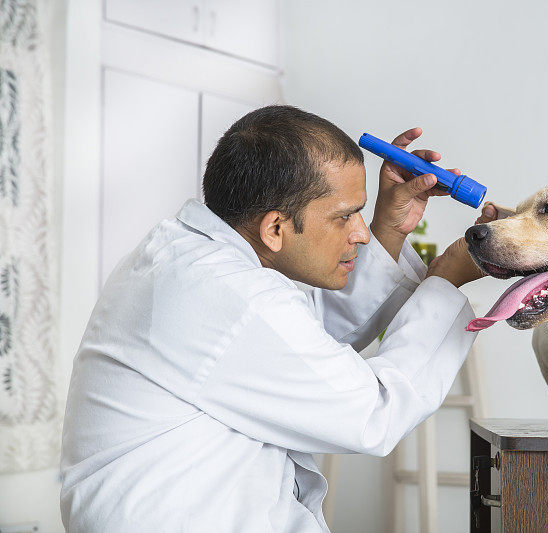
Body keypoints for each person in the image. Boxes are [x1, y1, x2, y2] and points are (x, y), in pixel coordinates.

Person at [59, 105, 497, 532]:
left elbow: (307, 344)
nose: (359, 233)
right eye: (345, 216)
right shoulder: (229, 295)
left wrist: (390, 227)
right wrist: (446, 278)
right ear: (274, 229)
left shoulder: (188, 258)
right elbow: (373, 414)